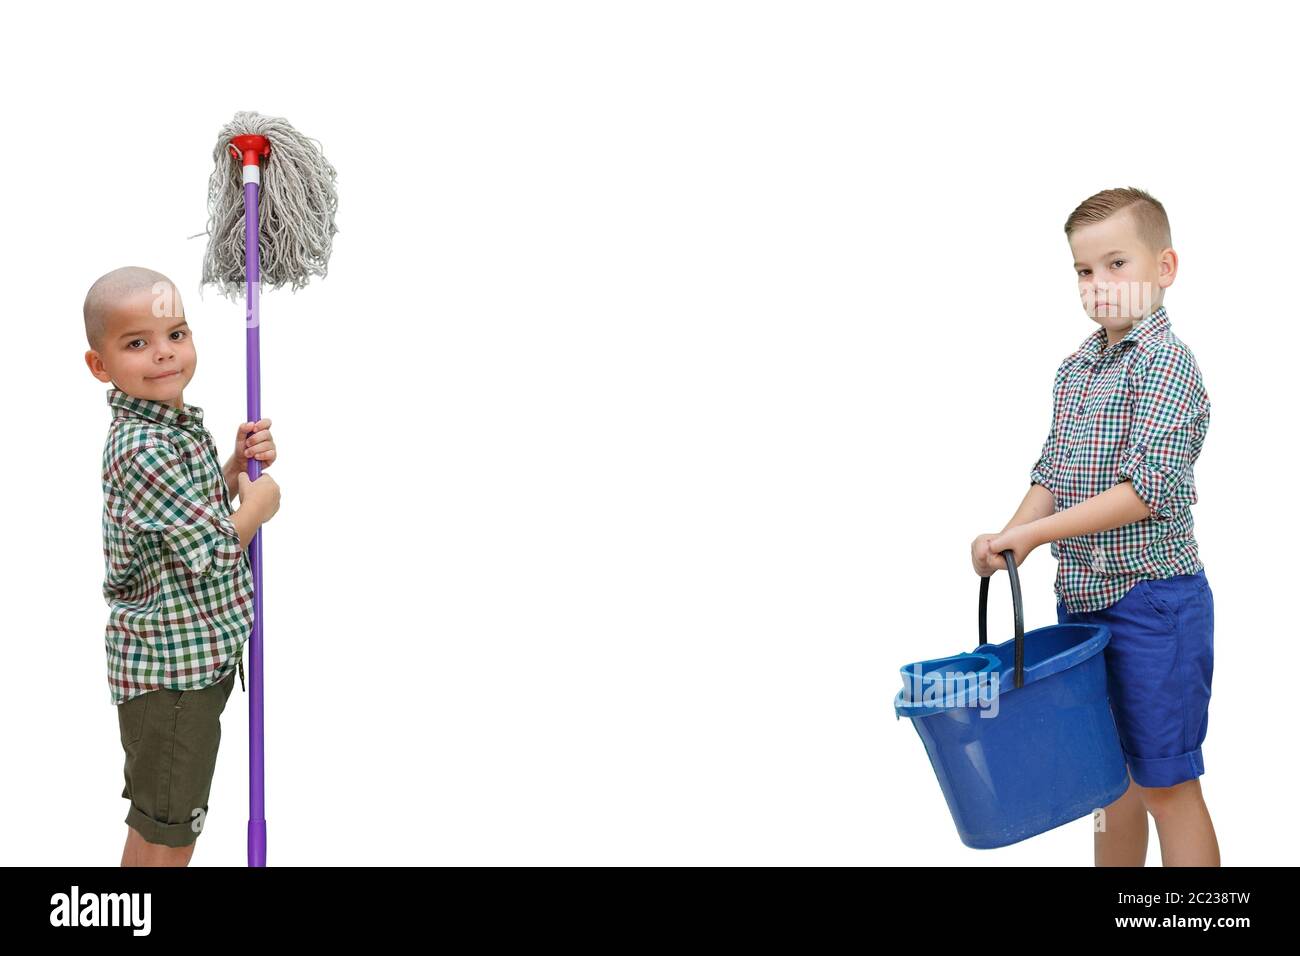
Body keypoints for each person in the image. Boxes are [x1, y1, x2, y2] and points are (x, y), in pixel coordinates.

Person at [970, 187, 1217, 866]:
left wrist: (1040, 538)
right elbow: (1052, 473)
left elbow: (1145, 491)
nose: (1098, 285)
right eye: (1084, 270)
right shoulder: (1075, 370)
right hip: (1082, 605)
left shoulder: (1168, 366)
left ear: (1164, 268)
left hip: (1152, 604)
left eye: (1117, 264)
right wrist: (1008, 536)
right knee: (1107, 785)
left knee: (1165, 783)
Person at [83, 265, 281, 865]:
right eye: (137, 343)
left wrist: (233, 469)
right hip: (171, 678)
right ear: (100, 365)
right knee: (169, 830)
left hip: (197, 662)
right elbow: (215, 550)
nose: (165, 355)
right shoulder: (141, 448)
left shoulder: (171, 426)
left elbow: (186, 521)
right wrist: (261, 506)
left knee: (170, 817)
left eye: (176, 334)